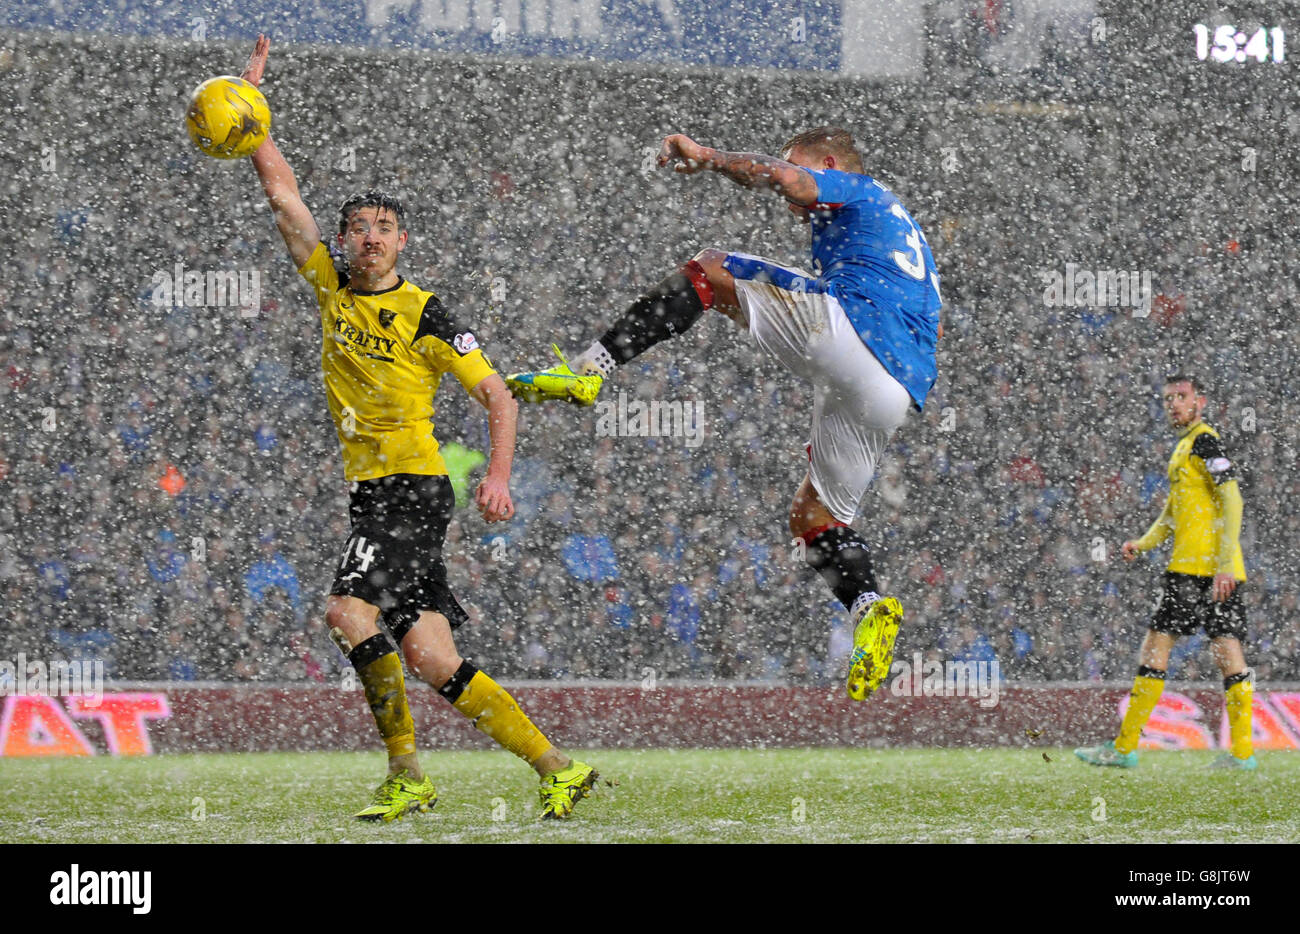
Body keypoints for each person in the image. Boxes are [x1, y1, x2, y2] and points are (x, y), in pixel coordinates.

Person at [238, 35, 597, 819]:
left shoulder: (429, 313)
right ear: (343, 240)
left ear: (402, 242)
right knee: (433, 656)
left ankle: (407, 772)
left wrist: (496, 477)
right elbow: (281, 194)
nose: (370, 235)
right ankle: (556, 765)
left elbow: (499, 395)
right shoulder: (329, 283)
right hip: (378, 491)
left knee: (345, 614)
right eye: (359, 225)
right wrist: (251, 106)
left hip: (409, 487)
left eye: (384, 226)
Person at [506, 128, 942, 700]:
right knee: (815, 520)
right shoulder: (893, 226)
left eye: (799, 166)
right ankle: (868, 607)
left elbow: (788, 179)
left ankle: (591, 369)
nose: (789, 191)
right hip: (895, 389)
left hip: (856, 333)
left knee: (709, 267)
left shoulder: (855, 188)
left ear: (830, 163)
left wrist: (708, 158)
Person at [1075, 375, 1256, 770]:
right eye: (1168, 398)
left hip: (1196, 570)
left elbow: (1233, 497)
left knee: (1156, 648)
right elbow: (1174, 513)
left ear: (1200, 401)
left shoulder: (1205, 441)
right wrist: (1143, 542)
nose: (1174, 404)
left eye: (1181, 397)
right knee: (1228, 655)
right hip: (1209, 570)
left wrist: (1225, 563)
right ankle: (1242, 755)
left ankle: (1124, 748)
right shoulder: (1184, 447)